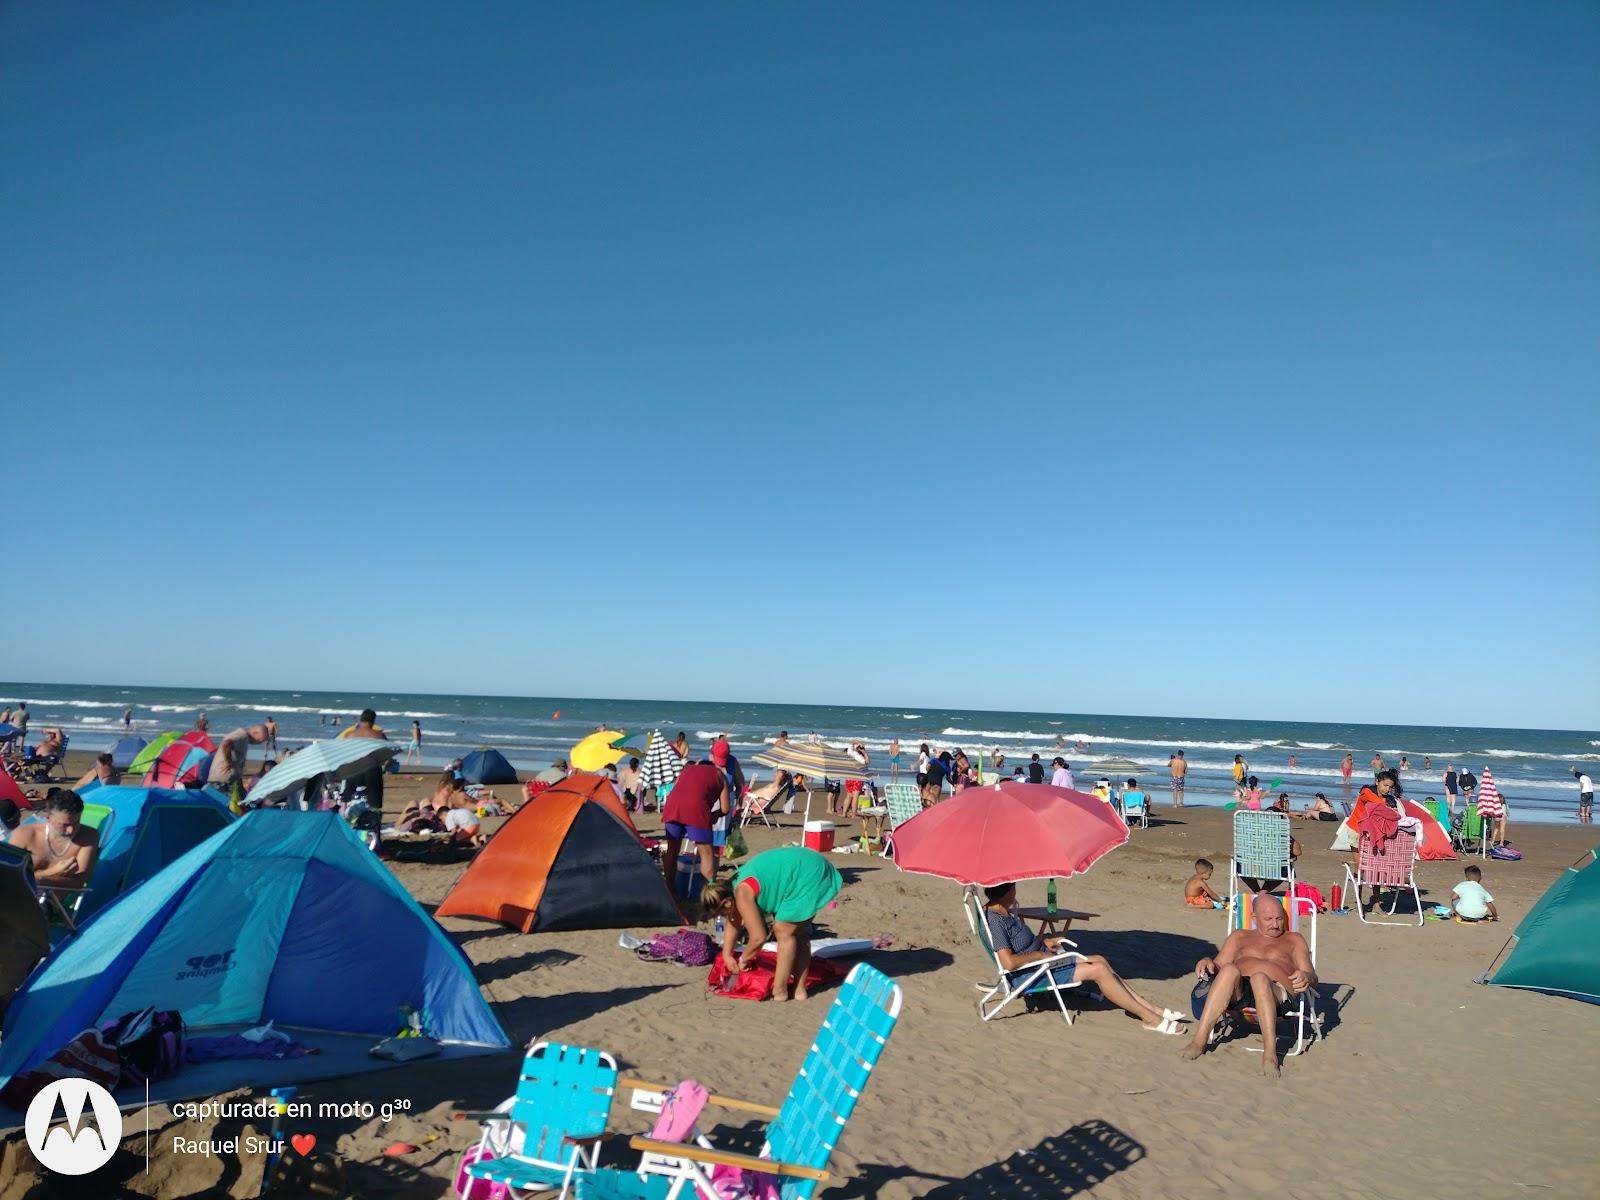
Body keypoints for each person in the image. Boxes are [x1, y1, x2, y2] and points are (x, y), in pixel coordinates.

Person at [980, 882, 1188, 1033]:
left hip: (1041, 961)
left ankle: (1148, 1008)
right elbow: (1008, 962)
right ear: (1008, 891)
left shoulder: (1004, 913)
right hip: (1031, 974)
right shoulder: (996, 921)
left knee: (1099, 959)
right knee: (1098, 970)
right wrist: (1039, 953)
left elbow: (1020, 946)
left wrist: (1045, 942)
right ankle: (1149, 1018)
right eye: (1014, 886)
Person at [1181, 893, 1316, 1075]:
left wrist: (1306, 977)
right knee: (1229, 970)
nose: (1275, 924)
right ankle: (1199, 1041)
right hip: (1240, 992)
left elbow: (1312, 975)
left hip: (1277, 993)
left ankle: (1270, 1055)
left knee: (1260, 978)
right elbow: (1218, 964)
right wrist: (1207, 960)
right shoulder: (1239, 937)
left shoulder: (1294, 939)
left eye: (1279, 918)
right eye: (1268, 919)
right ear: (1254, 918)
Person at [701, 845, 843, 1002]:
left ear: (727, 903)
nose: (723, 917)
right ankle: (799, 990)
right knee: (797, 932)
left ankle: (780, 990)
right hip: (805, 867)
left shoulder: (741, 893)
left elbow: (758, 937)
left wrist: (744, 959)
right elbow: (733, 922)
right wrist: (727, 954)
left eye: (721, 914)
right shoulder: (732, 888)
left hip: (808, 873)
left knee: (783, 930)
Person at [662, 755, 729, 896]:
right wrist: (714, 815)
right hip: (696, 810)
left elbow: (677, 789)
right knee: (707, 853)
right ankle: (707, 894)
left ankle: (669, 890)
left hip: (672, 807)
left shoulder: (687, 770)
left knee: (672, 850)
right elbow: (725, 808)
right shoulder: (719, 775)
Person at [8, 788, 100, 888]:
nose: (71, 830)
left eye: (77, 822)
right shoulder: (24, 835)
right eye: (65, 825)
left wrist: (37, 878)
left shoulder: (88, 836)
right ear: (48, 817)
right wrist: (54, 871)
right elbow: (10, 876)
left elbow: (79, 882)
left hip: (52, 902)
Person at [208, 725, 269, 810]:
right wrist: (229, 762)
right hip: (223, 780)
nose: (257, 743)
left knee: (239, 805)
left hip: (227, 779)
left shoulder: (243, 738)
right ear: (255, 732)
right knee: (231, 808)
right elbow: (226, 743)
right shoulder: (242, 736)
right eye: (259, 741)